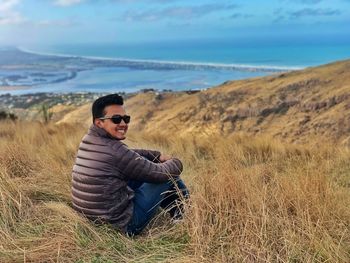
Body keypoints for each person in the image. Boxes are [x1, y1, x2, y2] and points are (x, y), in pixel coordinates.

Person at [71, 93, 189, 236]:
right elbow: (159, 173)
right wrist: (175, 161)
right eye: (116, 119)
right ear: (99, 123)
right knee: (169, 175)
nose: (123, 124)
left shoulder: (89, 139)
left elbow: (128, 155)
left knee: (153, 171)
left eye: (126, 118)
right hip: (122, 227)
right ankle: (185, 215)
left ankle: (178, 212)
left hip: (92, 219)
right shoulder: (115, 151)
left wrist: (156, 155)